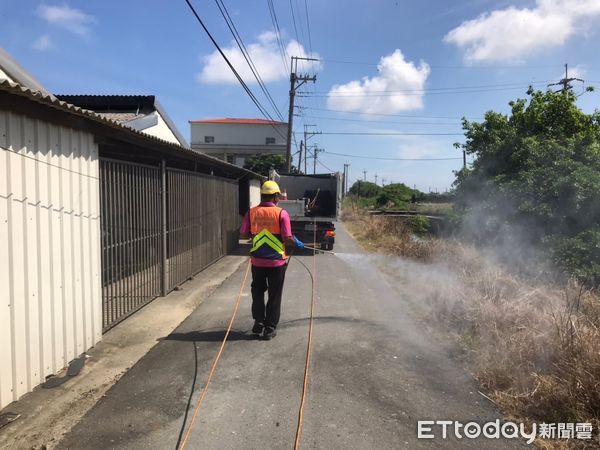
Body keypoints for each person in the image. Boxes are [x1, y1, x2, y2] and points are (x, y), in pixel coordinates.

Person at [239, 180, 304, 340]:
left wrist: (259, 234)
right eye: (278, 196)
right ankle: (269, 328)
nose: (279, 198)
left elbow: (244, 234)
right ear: (275, 196)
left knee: (258, 292)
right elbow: (287, 238)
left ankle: (259, 322)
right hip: (276, 263)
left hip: (257, 262)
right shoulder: (282, 213)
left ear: (263, 196)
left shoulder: (251, 212)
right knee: (274, 294)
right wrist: (296, 243)